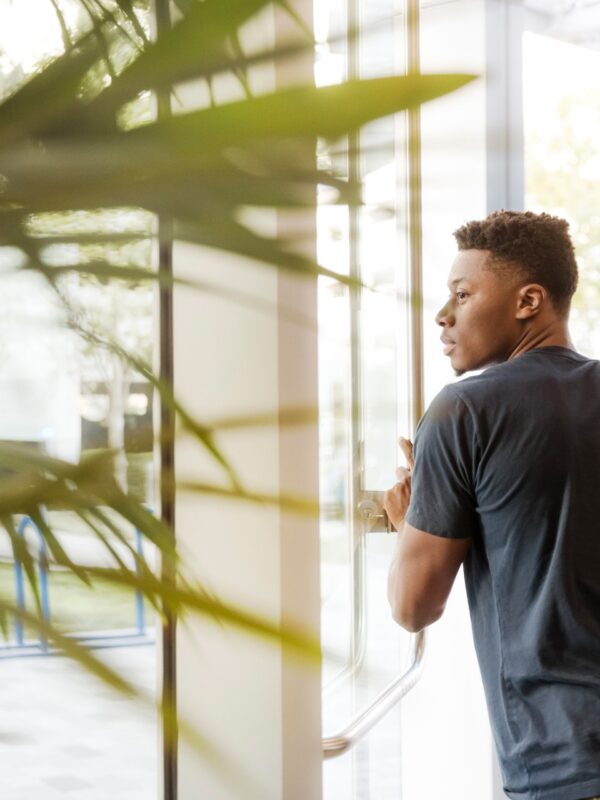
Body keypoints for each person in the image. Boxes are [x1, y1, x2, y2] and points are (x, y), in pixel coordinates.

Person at [384, 210, 600, 800]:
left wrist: (409, 522)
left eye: (462, 293)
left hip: (563, 761)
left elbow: (413, 606)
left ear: (529, 300)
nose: (443, 314)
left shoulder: (465, 410)